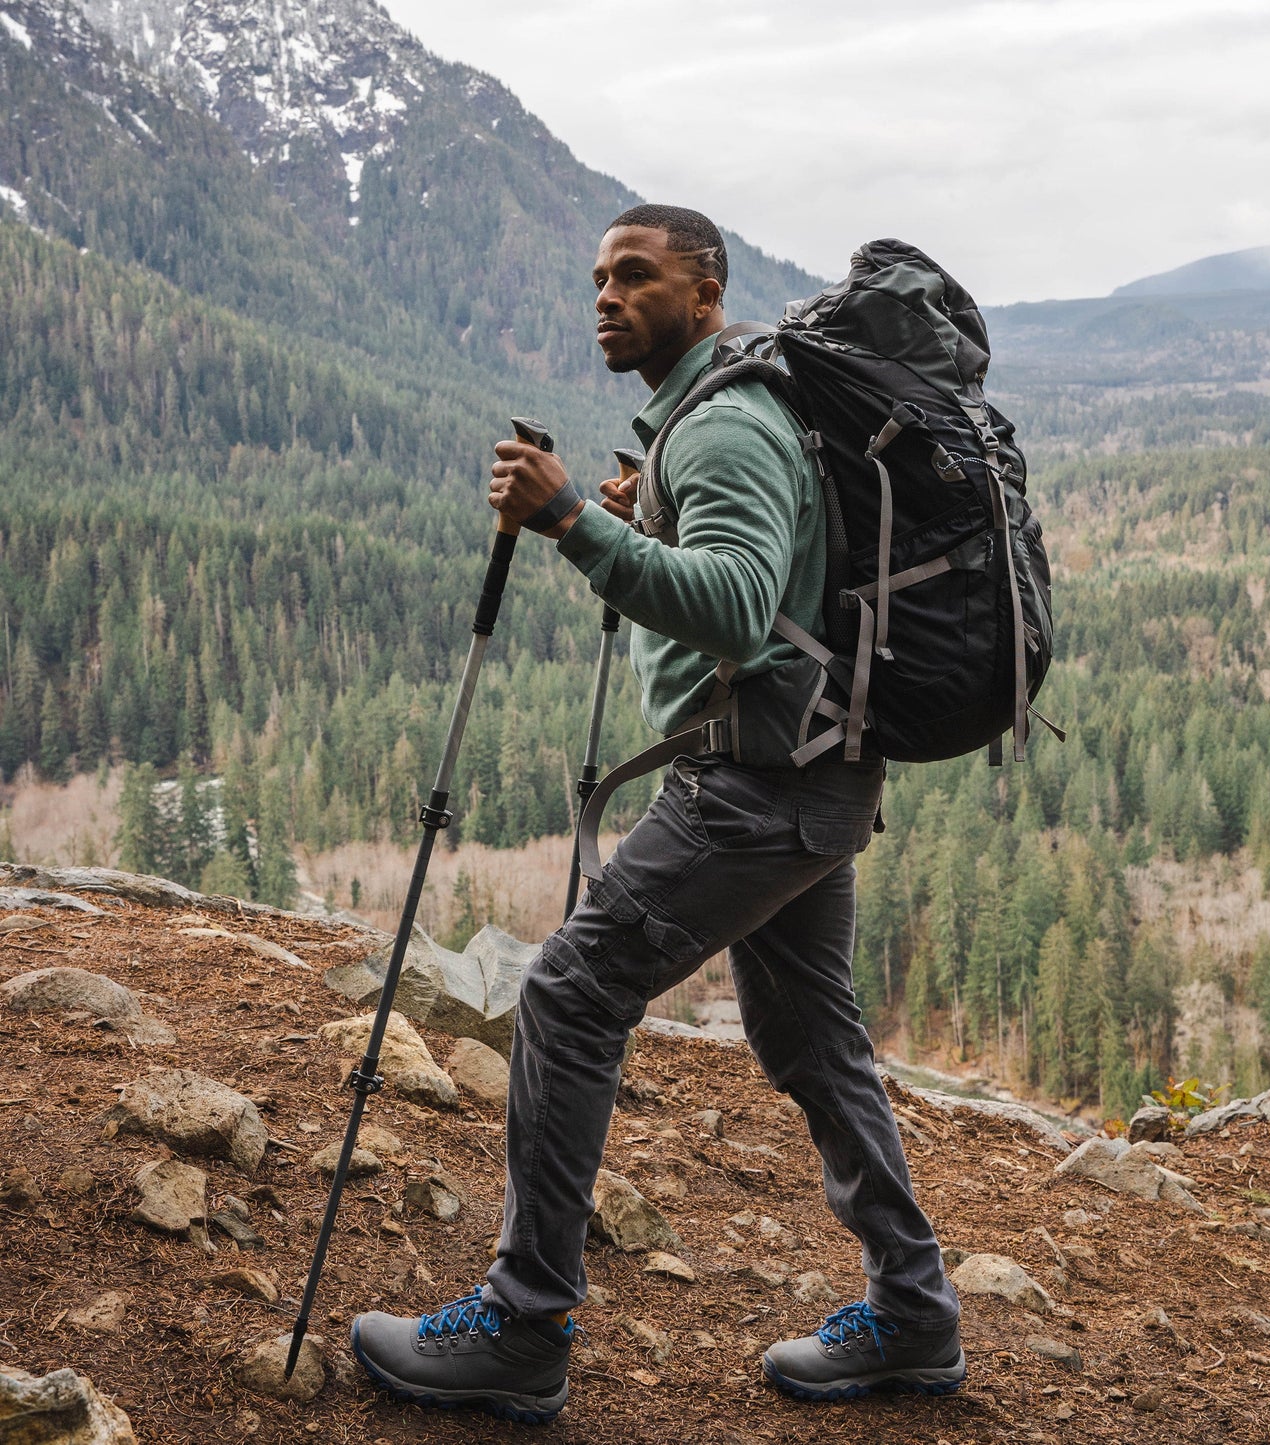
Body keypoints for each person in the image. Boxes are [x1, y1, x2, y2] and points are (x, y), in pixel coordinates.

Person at [351, 204, 963, 1422]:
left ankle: (524, 1324)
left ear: (707, 285)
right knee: (810, 1043)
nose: (607, 295)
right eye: (597, 276)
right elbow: (760, 586)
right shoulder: (727, 411)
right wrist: (642, 521)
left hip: (757, 789)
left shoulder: (727, 421)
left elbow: (736, 608)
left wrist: (573, 520)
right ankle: (914, 1313)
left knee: (571, 994)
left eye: (637, 275)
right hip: (810, 778)